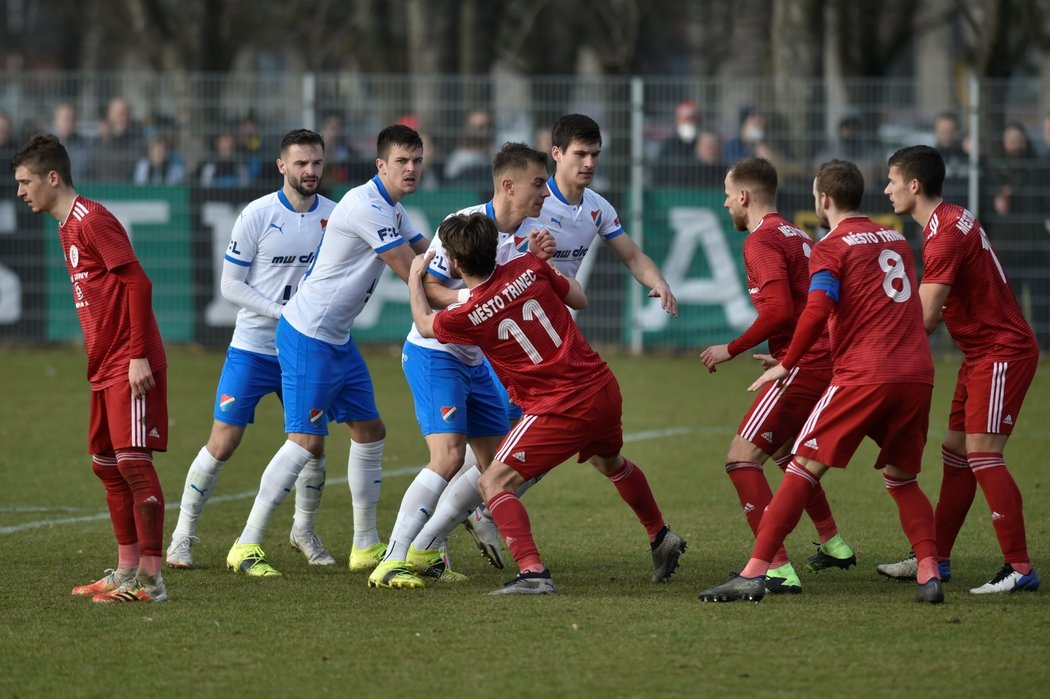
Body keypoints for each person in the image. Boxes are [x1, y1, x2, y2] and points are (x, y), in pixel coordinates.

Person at [440, 113, 679, 569]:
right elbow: (481, 255)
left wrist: (659, 281)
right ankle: (440, 535)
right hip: (514, 340)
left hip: (552, 341)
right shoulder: (528, 199)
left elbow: (630, 254)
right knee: (491, 455)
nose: (589, 163)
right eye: (580, 154)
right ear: (556, 156)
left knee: (570, 459)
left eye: (595, 155)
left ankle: (475, 523)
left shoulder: (597, 208)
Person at [698, 159, 943, 604]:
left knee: (795, 468)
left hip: (861, 373)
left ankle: (760, 570)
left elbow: (814, 308)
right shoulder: (896, 240)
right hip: (917, 373)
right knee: (902, 479)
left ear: (824, 199)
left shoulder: (830, 245)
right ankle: (929, 570)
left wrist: (786, 361)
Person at [408, 212, 687, 595]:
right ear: (494, 248)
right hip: (602, 387)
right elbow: (579, 298)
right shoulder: (529, 267)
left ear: (455, 264)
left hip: (559, 406)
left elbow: (424, 324)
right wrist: (542, 262)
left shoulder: (467, 314)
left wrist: (413, 281)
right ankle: (661, 536)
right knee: (610, 463)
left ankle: (532, 572)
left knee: (493, 482)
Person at [225, 124, 431, 577]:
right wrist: (470, 297)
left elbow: (427, 253)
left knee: (370, 430)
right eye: (402, 161)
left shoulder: (393, 209)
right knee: (304, 441)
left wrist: (470, 272)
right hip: (307, 335)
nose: (412, 168)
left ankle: (364, 545)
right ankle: (246, 543)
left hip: (336, 338)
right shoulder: (366, 206)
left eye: (417, 160)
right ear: (382, 165)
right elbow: (410, 270)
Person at [367, 142, 551, 589]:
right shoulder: (464, 226)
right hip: (436, 354)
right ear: (508, 186)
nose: (546, 194)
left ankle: (428, 546)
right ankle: (391, 559)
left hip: (478, 360)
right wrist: (474, 300)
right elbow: (430, 288)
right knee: (448, 457)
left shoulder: (529, 233)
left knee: (501, 467)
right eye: (539, 184)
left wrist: (537, 261)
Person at [166, 129, 337, 569]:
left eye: (316, 162)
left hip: (303, 351)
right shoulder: (258, 214)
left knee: (314, 444)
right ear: (282, 166)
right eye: (300, 163)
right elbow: (230, 285)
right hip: (253, 347)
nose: (310, 171)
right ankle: (183, 534)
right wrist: (282, 313)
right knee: (223, 442)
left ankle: (304, 531)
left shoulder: (335, 217)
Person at [13, 134, 169, 602]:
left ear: (52, 178)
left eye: (25, 181)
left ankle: (151, 580)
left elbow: (138, 284)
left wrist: (138, 354)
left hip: (129, 358)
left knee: (133, 464)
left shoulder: (92, 219)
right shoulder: (65, 228)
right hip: (104, 362)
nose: (20, 191)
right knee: (105, 465)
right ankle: (125, 570)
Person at [879, 145, 1040, 594]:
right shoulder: (950, 217)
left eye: (892, 180)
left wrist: (875, 344)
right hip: (981, 353)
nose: (887, 189)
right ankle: (936, 558)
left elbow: (926, 317)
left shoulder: (944, 233)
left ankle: (1019, 567)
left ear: (914, 185)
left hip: (1001, 351)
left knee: (983, 455)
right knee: (955, 454)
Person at [699, 157, 856, 594]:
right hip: (823, 359)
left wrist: (729, 349)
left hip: (805, 363)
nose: (726, 202)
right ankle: (833, 542)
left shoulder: (761, 240)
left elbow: (780, 310)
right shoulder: (795, 232)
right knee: (789, 453)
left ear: (744, 197)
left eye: (729, 194)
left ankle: (775, 567)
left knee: (741, 459)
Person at [90, 98, 145, 181]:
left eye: (124, 114)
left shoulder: (139, 142)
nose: (121, 118)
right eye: (118, 114)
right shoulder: (98, 143)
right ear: (109, 115)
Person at [652, 100, 700, 186]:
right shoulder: (668, 147)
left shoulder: (704, 145)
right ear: (678, 120)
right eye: (685, 120)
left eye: (693, 120)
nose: (689, 123)